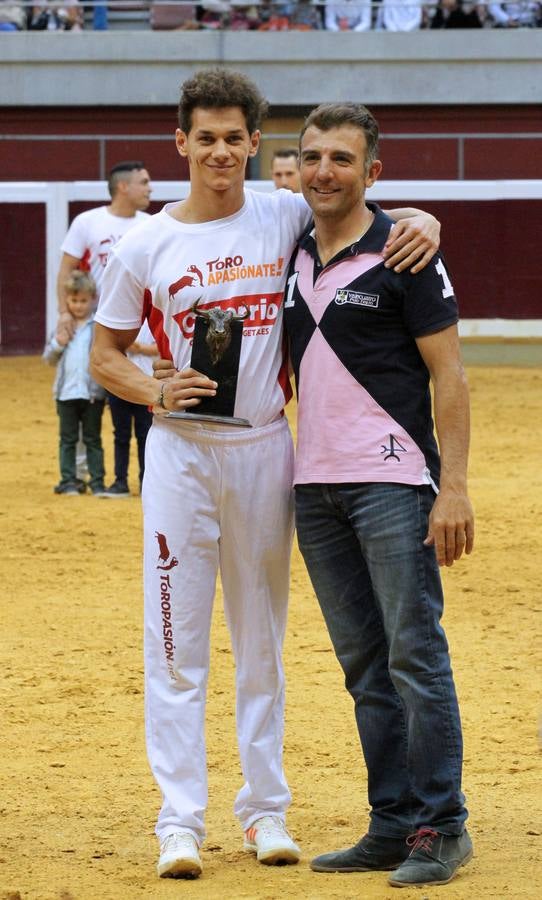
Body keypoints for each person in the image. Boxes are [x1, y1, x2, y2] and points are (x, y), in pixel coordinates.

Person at [90, 67, 441, 880]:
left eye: (233, 138)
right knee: (175, 644)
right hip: (180, 454)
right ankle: (179, 822)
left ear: (254, 143)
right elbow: (104, 353)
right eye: (204, 138)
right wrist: (152, 389)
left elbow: (366, 214)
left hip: (263, 450)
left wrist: (423, 218)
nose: (219, 152)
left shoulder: (283, 213)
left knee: (262, 642)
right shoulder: (143, 244)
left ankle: (264, 811)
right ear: (181, 143)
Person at [283, 102, 474, 888]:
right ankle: (393, 823)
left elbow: (449, 376)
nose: (324, 171)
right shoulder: (290, 249)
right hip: (314, 489)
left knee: (414, 656)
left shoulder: (405, 251)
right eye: (312, 157)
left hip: (394, 483)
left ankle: (443, 825)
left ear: (373, 171)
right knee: (365, 666)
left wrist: (452, 486)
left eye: (342, 158)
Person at [57, 160, 151, 481]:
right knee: (87, 397)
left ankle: (133, 474)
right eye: (143, 182)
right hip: (96, 327)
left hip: (139, 327)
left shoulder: (151, 224)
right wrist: (64, 313)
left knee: (135, 401)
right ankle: (84, 470)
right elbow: (66, 270)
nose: (150, 188)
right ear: (123, 186)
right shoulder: (88, 222)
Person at [44, 271, 106, 496]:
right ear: (67, 301)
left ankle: (97, 482)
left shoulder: (98, 327)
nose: (78, 306)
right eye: (74, 300)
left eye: (83, 301)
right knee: (67, 439)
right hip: (66, 393)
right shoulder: (62, 327)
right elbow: (49, 359)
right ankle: (69, 480)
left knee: (93, 439)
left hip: (92, 393)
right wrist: (58, 344)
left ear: (92, 299)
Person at [101, 320, 158, 498]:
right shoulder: (120, 319)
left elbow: (160, 348)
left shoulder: (152, 319)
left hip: (145, 385)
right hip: (121, 384)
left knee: (144, 435)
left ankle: (145, 482)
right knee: (122, 434)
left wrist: (138, 347)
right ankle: (120, 481)